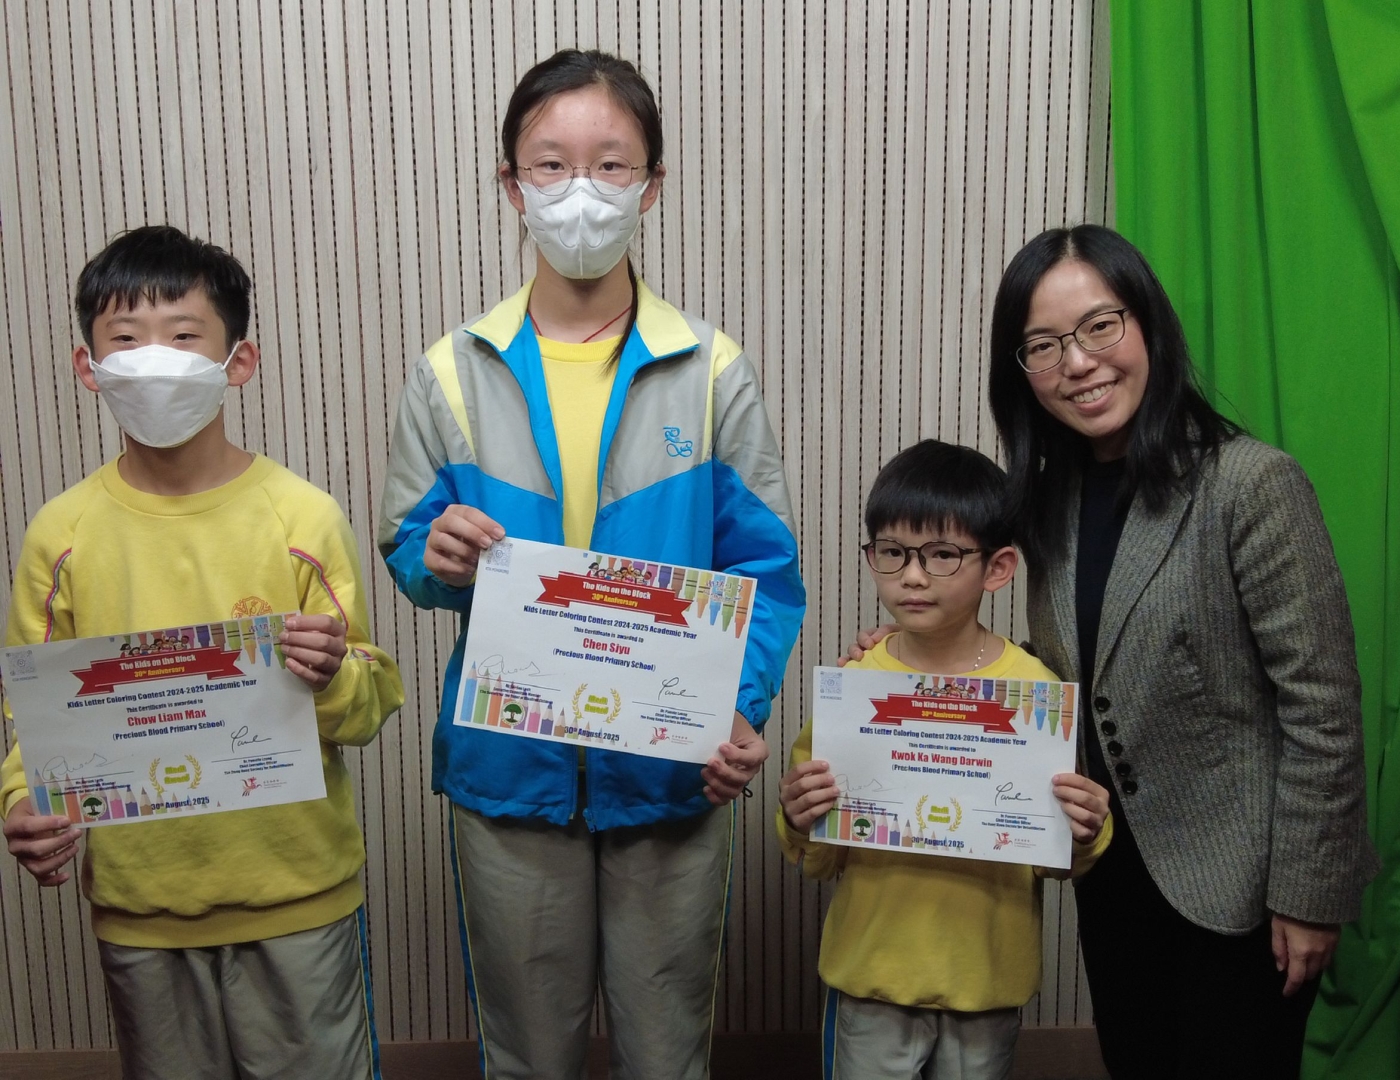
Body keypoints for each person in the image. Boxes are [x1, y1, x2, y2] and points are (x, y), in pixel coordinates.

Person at [850, 225, 1379, 1078]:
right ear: (1021, 371)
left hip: (1238, 886)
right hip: (1109, 873)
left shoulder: (1250, 484)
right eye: (1044, 345)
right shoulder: (1046, 501)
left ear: (1148, 326)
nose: (1078, 362)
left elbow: (1323, 706)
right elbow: (1079, 665)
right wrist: (917, 662)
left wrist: (1309, 897)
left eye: (1100, 326)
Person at [377, 49, 805, 1080]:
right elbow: (407, 546)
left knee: (667, 1052)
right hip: (509, 774)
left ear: (651, 186)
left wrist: (738, 707)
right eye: (550, 163)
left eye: (611, 165)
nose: (580, 191)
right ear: (511, 184)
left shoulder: (711, 367)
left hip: (669, 766)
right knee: (530, 1054)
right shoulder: (451, 370)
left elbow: (763, 569)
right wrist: (436, 555)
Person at [0, 226, 404, 1080]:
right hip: (141, 902)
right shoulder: (60, 534)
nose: (154, 360)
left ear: (238, 360)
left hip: (299, 891)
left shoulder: (302, 517)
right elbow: (30, 710)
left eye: (184, 335)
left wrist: (333, 675)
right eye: (125, 338)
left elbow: (369, 701)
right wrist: (23, 802)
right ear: (88, 367)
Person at [780, 440, 1111, 1080]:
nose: (912, 576)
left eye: (942, 555)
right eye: (892, 551)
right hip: (872, 972)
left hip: (986, 978)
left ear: (998, 567)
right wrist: (797, 818)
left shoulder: (1036, 694)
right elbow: (815, 852)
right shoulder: (856, 685)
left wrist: (1088, 831)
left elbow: (1059, 856)